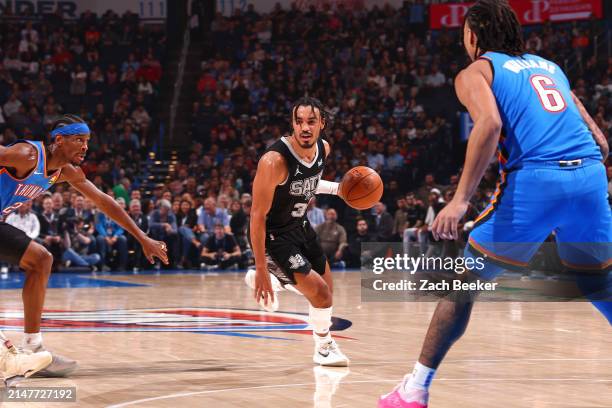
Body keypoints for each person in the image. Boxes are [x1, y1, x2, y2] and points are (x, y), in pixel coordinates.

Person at [379, 1, 611, 407]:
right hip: (590, 177)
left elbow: (489, 123)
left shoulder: (477, 70)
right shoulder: (548, 67)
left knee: (463, 284)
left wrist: (460, 199)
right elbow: (600, 141)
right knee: (599, 282)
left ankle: (413, 390)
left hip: (537, 181)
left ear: (473, 35)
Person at [0, 114, 168, 381]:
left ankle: (32, 346)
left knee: (41, 260)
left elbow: (103, 201)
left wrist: (142, 237)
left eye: (87, 141)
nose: (85, 147)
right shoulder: (27, 155)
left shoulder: (65, 171)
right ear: (58, 140)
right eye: (78, 139)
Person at [246, 97, 349, 367]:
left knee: (327, 291)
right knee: (320, 293)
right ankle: (324, 346)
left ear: (322, 124)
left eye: (311, 122)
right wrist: (259, 267)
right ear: (292, 124)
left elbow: (307, 183)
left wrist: (339, 189)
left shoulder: (323, 149)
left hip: (300, 226)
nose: (305, 127)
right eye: (299, 121)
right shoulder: (274, 161)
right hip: (273, 236)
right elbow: (257, 216)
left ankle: (280, 280)